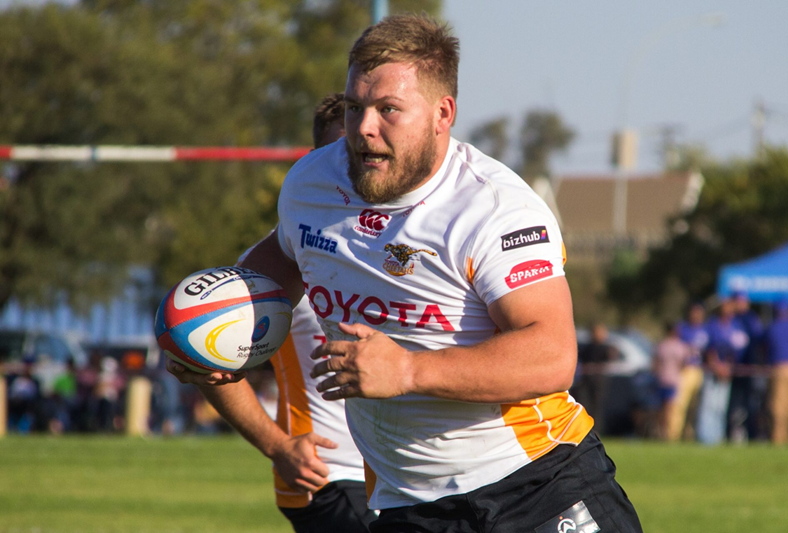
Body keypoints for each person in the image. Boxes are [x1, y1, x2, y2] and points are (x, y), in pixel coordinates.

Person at [171, 15, 641, 532]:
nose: (363, 128)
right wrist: (220, 334)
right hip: (405, 503)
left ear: (443, 114)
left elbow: (552, 355)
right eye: (355, 107)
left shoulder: (493, 208)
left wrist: (409, 371)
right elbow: (280, 262)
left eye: (388, 109)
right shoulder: (312, 184)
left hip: (536, 484)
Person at [171, 93, 376, 533]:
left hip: (404, 476)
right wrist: (278, 447)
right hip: (328, 473)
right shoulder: (279, 259)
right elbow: (213, 361)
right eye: (339, 150)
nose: (356, 158)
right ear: (315, 160)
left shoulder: (396, 246)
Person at [696, 297, 748, 445]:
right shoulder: (712, 325)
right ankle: (706, 438)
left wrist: (728, 368)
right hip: (712, 370)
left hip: (727, 370)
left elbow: (736, 349)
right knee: (709, 405)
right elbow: (709, 348)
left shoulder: (735, 326)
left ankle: (717, 436)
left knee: (721, 406)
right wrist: (716, 366)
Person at [729, 291, 765, 441]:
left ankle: (752, 433)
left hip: (749, 368)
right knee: (734, 403)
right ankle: (733, 433)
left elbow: (759, 342)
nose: (739, 304)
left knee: (752, 402)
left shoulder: (752, 319)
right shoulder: (731, 318)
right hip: (732, 369)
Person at [672, 302, 709, 441]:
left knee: (696, 406)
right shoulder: (682, 329)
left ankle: (689, 435)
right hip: (685, 370)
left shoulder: (705, 330)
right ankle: (674, 435)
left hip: (700, 369)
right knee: (679, 404)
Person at [765, 299, 788, 445]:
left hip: (780, 370)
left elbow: (764, 348)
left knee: (779, 407)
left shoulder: (773, 327)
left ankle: (779, 439)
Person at [576, 322, 619, 435]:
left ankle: (596, 429)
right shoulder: (588, 347)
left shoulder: (605, 348)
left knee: (597, 405)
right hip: (588, 378)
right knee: (586, 403)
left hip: (598, 379)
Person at [653, 322, 692, 440]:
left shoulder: (661, 346)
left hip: (661, 379)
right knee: (670, 408)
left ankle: (661, 431)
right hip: (673, 380)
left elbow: (655, 364)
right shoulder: (680, 346)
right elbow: (685, 363)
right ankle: (667, 433)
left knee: (661, 408)